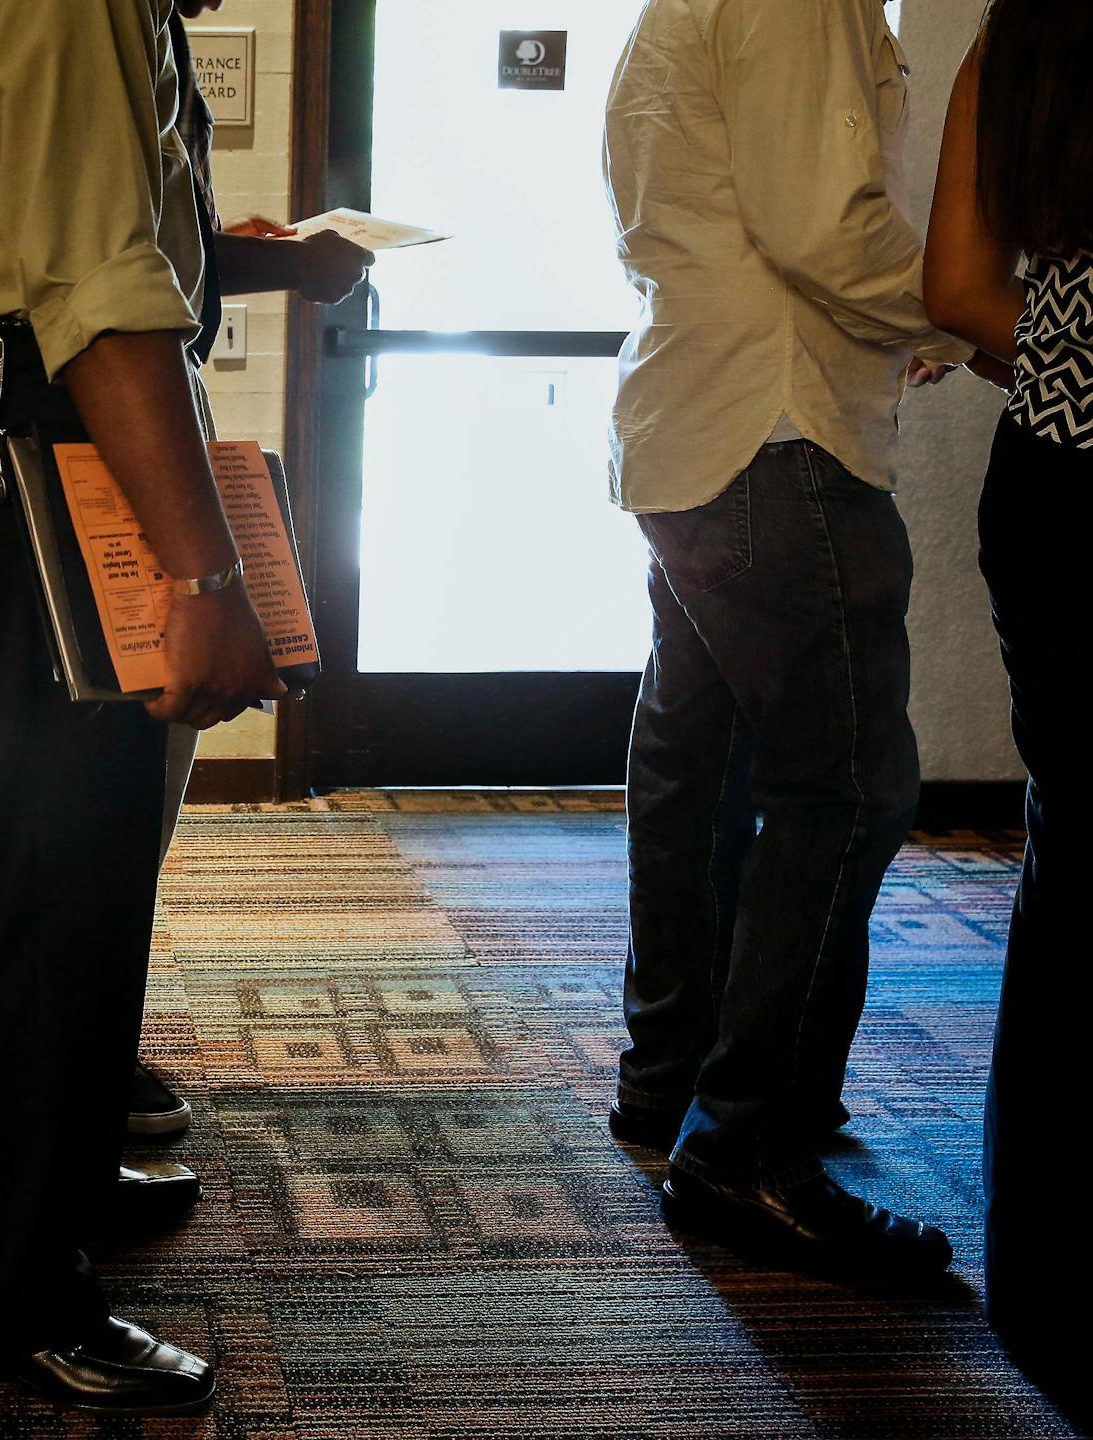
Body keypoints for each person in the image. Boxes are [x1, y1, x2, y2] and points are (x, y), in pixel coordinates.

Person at [0, 0, 288, 1413]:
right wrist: (201, 565)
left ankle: (44, 1157)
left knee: (28, 830)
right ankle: (14, 1288)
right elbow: (95, 273)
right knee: (59, 850)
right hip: (22, 398)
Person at [601, 0, 970, 1282]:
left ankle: (673, 1074)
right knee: (847, 788)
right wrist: (954, 315)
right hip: (779, 433)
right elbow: (824, 226)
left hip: (694, 422)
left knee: (695, 763)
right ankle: (747, 1148)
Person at [129, 0, 370, 1140]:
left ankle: (84, 1041)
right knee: (91, 789)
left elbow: (149, 248)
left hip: (138, 409)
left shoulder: (147, 28)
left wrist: (248, 254)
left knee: (129, 793)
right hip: (97, 427)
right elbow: (104, 266)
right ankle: (49, 1080)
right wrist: (206, 580)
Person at [923, 1, 1092, 1422]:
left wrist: (1068, 345)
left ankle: (1057, 1291)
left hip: (1057, 486)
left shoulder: (1027, 23)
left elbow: (962, 284)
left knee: (1075, 868)